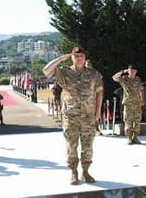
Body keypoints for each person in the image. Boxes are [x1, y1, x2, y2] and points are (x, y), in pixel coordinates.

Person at [43, 47, 103, 185]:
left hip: (88, 116)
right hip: (71, 116)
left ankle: (86, 171)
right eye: (76, 56)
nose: (79, 58)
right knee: (71, 145)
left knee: (88, 146)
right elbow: (46, 70)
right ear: (72, 57)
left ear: (85, 58)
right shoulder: (64, 72)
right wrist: (60, 58)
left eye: (81, 56)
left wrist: (98, 111)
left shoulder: (94, 74)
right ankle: (73, 172)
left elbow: (99, 92)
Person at [112, 65, 144, 145]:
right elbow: (114, 77)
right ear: (128, 70)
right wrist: (123, 71)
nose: (133, 72)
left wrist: (142, 99)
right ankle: (129, 138)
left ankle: (135, 137)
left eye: (134, 70)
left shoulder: (138, 79)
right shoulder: (124, 79)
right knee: (128, 120)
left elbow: (141, 90)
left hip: (137, 103)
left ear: (136, 71)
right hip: (128, 103)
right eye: (131, 70)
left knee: (137, 120)